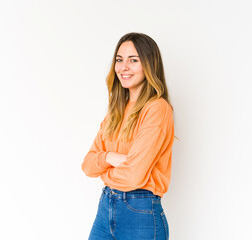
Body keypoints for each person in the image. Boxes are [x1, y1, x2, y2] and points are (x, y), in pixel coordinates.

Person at [81, 32, 175, 240]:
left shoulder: (157, 109)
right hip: (105, 208)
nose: (123, 67)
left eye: (133, 60)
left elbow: (134, 175)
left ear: (149, 64)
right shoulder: (117, 110)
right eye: (119, 60)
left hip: (140, 213)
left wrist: (105, 172)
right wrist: (110, 158)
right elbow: (87, 165)